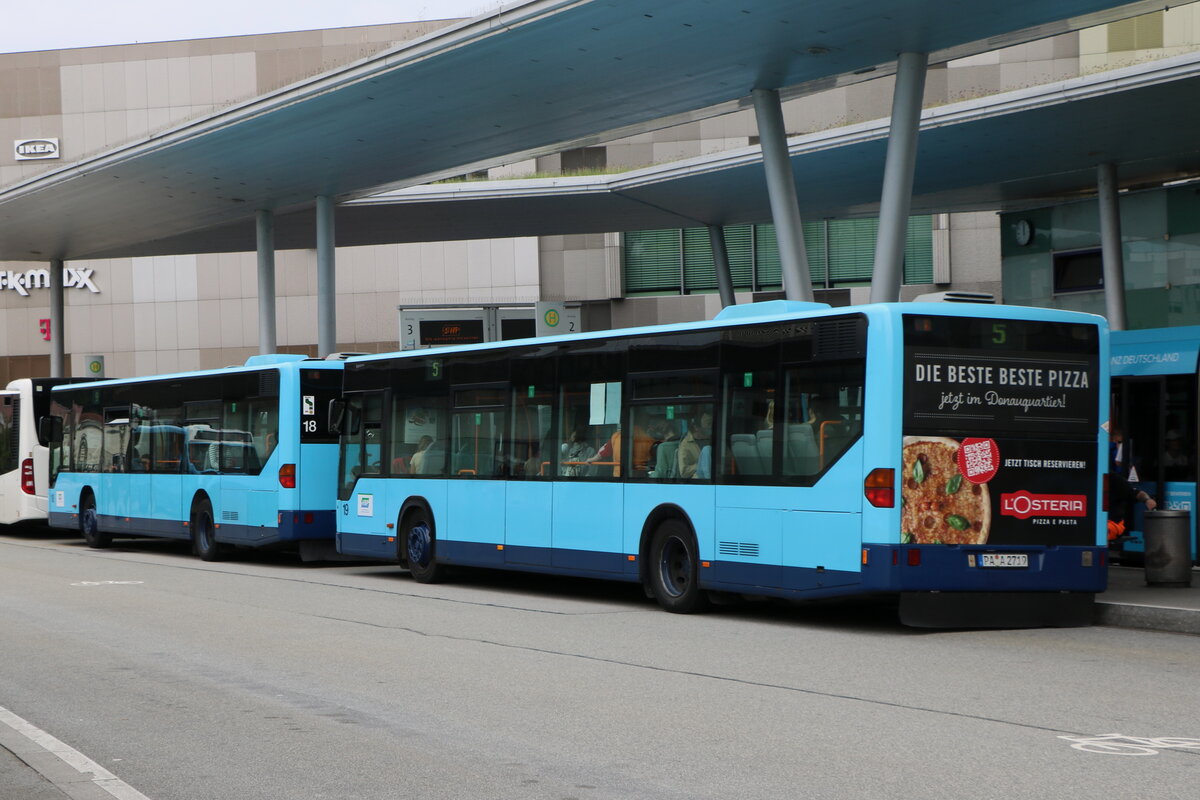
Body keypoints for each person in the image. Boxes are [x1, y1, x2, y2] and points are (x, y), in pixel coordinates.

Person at [677, 411, 712, 479]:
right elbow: (683, 471)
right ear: (696, 427)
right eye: (709, 424)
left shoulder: (715, 439)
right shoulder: (686, 445)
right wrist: (702, 464)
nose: (711, 427)